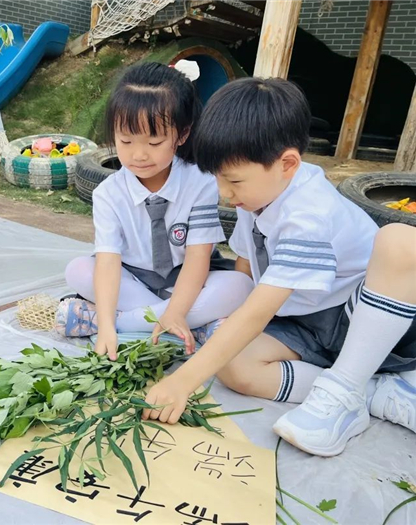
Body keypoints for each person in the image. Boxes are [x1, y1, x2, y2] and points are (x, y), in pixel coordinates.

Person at [142, 76, 416, 457]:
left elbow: (260, 309)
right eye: (218, 178)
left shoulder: (308, 212)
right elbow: (246, 268)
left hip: (360, 322)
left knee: (402, 242)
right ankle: (372, 393)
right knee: (234, 366)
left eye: (233, 180)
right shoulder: (256, 196)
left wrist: (183, 381)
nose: (224, 192)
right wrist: (222, 324)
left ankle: (346, 389)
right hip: (305, 322)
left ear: (287, 163)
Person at [55, 61, 254, 359]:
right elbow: (109, 263)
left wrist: (169, 311)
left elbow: (198, 260)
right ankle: (194, 326)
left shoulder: (200, 182)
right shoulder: (108, 193)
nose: (139, 154)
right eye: (125, 140)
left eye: (155, 141)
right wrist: (108, 328)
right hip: (133, 281)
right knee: (79, 270)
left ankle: (119, 321)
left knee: (241, 285)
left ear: (182, 135)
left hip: (187, 281)